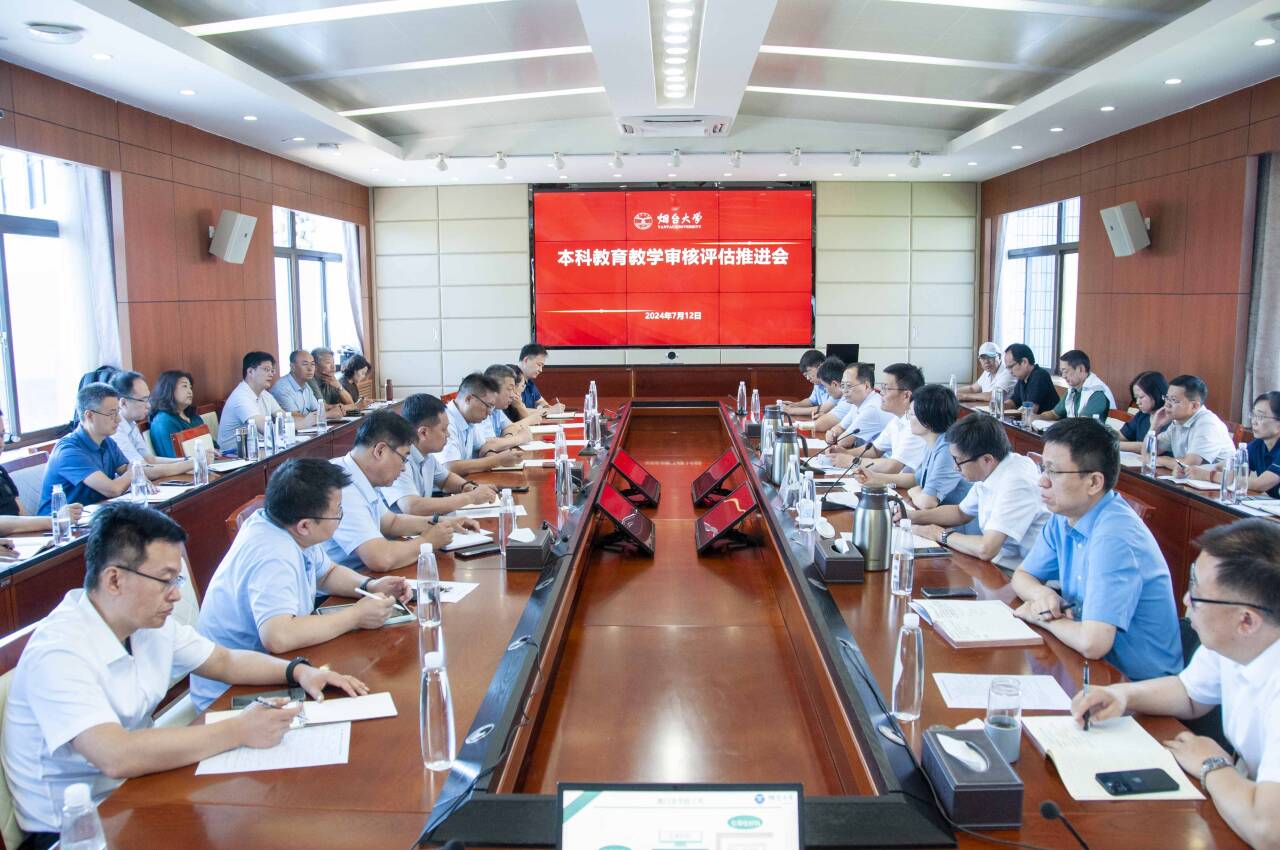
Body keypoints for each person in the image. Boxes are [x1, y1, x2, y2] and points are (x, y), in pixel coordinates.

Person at [0, 502, 367, 842]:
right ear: (114, 580)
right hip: (77, 827)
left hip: (139, 789)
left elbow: (224, 661)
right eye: (166, 580)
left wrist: (298, 672)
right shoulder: (60, 651)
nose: (176, 595)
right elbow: (115, 755)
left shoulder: (143, 622)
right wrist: (239, 730)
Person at [1070, 518, 1280, 850]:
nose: (1184, 600)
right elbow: (1190, 693)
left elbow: (1269, 831)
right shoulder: (1237, 642)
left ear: (1246, 620)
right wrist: (1122, 694)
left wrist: (1213, 766)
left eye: (1197, 594)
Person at [191, 458, 413, 710]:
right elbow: (278, 636)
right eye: (337, 511)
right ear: (305, 525)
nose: (341, 517)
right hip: (232, 694)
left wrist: (370, 586)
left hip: (278, 667)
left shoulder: (288, 527)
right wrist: (356, 616)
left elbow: (326, 574)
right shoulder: (272, 553)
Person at [1011, 418, 1181, 681]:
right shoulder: (1064, 516)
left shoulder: (1115, 536)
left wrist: (1040, 615)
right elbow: (1022, 576)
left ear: (1093, 482)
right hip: (1090, 665)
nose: (1042, 482)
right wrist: (1042, 594)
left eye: (1053, 472)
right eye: (1043, 469)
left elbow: (1093, 643)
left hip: (1138, 686)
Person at [324, 411, 479, 572]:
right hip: (348, 582)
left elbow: (391, 522)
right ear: (380, 451)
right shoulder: (342, 488)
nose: (404, 467)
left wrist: (443, 522)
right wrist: (427, 541)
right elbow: (380, 559)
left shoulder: (358, 474)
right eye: (403, 458)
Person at [910, 413, 1048, 570]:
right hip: (999, 563)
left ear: (986, 460)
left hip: (1020, 572)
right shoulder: (993, 469)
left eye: (958, 461)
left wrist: (938, 534)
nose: (955, 467)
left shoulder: (1017, 482)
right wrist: (912, 517)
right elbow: (960, 513)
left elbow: (986, 549)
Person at [38, 383, 157, 514]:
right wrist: (135, 471)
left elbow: (126, 468)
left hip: (96, 514)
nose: (118, 419)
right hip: (61, 523)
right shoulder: (69, 451)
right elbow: (113, 490)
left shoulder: (107, 441)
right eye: (112, 414)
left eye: (118, 412)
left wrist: (134, 471)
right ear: (89, 415)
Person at [386, 393, 500, 515]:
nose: (448, 435)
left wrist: (469, 487)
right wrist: (470, 497)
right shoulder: (399, 459)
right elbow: (412, 506)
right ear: (423, 433)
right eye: (444, 429)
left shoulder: (427, 455)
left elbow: (446, 479)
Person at [830, 363, 925, 474]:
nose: (881, 392)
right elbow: (874, 450)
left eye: (886, 388)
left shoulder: (916, 425)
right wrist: (845, 453)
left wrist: (851, 461)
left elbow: (892, 466)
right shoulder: (897, 418)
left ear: (906, 395)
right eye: (882, 387)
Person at [0, 408, 83, 534]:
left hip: (20, 542)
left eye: (1, 435)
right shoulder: (67, 448)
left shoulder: (1, 472)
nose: (1, 443)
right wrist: (54, 520)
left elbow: (23, 516)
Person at [1187, 391, 1280, 497]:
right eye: (1254, 415)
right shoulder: (1258, 444)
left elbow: (1259, 485)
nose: (1254, 421)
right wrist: (1189, 470)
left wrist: (1209, 475)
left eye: (1260, 417)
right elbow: (1225, 466)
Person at [108, 371, 198, 476]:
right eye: (143, 400)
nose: (148, 405)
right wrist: (190, 464)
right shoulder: (115, 430)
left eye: (148, 399)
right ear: (123, 403)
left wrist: (188, 459)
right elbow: (140, 470)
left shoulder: (131, 423)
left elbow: (150, 459)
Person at [438, 373, 526, 476]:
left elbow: (483, 447)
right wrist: (497, 461)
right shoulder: (445, 421)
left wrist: (493, 456)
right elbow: (450, 467)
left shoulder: (470, 418)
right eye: (488, 406)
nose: (490, 413)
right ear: (468, 399)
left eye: (492, 407)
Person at [1148, 374, 1236, 472]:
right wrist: (1155, 426)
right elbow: (1148, 453)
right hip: (1188, 478)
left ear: (1194, 406)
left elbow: (1188, 465)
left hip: (1217, 480)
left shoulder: (1208, 424)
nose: (1167, 404)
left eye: (1173, 400)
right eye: (1167, 398)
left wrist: (1161, 460)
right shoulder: (1178, 421)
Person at [903, 385, 970, 509]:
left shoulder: (948, 449)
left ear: (927, 420)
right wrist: (875, 477)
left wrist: (914, 492)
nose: (908, 419)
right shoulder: (933, 441)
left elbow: (928, 502)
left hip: (955, 520)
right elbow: (917, 479)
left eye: (911, 414)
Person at [217, 352, 285, 452]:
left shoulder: (264, 394)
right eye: (266, 369)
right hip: (233, 456)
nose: (271, 374)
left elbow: (284, 418)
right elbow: (266, 429)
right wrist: (290, 428)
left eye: (272, 370)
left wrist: (304, 422)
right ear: (250, 372)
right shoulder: (241, 396)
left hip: (255, 450)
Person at [1035, 349, 1117, 422]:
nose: (1063, 376)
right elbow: (1054, 414)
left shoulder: (1097, 392)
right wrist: (1036, 418)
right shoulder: (1073, 389)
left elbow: (1084, 424)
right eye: (1061, 372)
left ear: (1081, 369)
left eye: (1065, 371)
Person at [825, 363, 893, 448]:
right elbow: (840, 427)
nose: (845, 391)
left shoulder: (872, 408)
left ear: (866, 386)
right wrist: (832, 432)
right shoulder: (857, 403)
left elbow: (843, 442)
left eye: (849, 386)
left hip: (881, 456)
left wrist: (834, 436)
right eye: (842, 386)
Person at [476, 364, 533, 454]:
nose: (513, 395)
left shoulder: (497, 408)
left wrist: (508, 439)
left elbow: (510, 427)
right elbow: (488, 446)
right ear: (493, 388)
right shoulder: (481, 409)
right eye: (510, 389)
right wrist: (520, 438)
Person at [147, 370, 204, 459]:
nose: (190, 391)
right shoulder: (163, 421)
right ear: (169, 389)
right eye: (184, 386)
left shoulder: (193, 416)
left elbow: (212, 444)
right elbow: (176, 458)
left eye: (190, 387)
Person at [1117, 370, 1169, 452]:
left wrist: (1113, 444)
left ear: (1155, 393)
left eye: (1141, 397)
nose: (1138, 402)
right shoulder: (1142, 415)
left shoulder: (1170, 418)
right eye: (1136, 398)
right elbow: (1121, 436)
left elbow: (1151, 447)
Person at [1003, 343, 1059, 415]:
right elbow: (1014, 401)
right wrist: (1000, 406)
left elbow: (1030, 410)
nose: (1010, 372)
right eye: (1008, 368)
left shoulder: (1039, 376)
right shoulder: (1022, 378)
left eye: (1011, 367)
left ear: (1024, 362)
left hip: (1048, 421)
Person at [269, 351, 321, 425]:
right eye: (305, 364)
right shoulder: (282, 388)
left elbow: (317, 410)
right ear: (292, 367)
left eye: (312, 364)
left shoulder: (306, 385)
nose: (310, 368)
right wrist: (327, 414)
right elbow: (294, 417)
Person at [310, 347, 361, 417]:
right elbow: (323, 408)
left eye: (333, 363)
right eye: (328, 363)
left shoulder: (331, 380)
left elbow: (351, 403)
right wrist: (345, 407)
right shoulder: (310, 380)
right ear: (315, 366)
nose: (333, 367)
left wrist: (339, 386)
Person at [781, 349, 834, 417]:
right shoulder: (817, 384)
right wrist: (794, 405)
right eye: (806, 376)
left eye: (808, 373)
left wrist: (793, 411)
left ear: (820, 366)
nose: (808, 378)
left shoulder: (834, 382)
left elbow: (825, 408)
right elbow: (811, 401)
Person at [517, 343, 565, 413]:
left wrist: (549, 408)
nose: (541, 370)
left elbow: (540, 402)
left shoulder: (529, 380)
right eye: (539, 365)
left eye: (542, 366)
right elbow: (519, 411)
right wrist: (549, 411)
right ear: (526, 360)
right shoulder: (512, 378)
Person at [810, 357, 851, 431]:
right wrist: (825, 416)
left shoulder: (848, 400)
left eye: (825, 386)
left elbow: (818, 425)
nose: (826, 391)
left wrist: (824, 419)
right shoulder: (842, 397)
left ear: (834, 384)